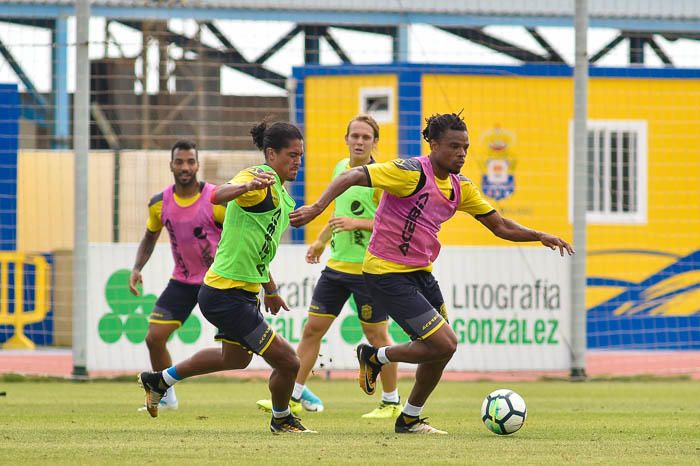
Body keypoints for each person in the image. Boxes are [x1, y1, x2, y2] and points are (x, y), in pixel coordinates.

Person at [290, 112, 574, 434]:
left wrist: (539, 235)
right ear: (434, 144)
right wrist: (317, 207)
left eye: (465, 147)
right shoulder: (409, 172)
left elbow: (501, 225)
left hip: (421, 274)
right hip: (385, 272)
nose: (462, 154)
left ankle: (409, 417)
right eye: (454, 146)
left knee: (439, 352)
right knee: (445, 343)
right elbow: (352, 176)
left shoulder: (460, 187)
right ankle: (375, 356)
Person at [138, 120, 316, 434]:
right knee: (289, 362)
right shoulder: (256, 179)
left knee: (234, 359)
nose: (297, 161)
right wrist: (245, 187)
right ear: (271, 154)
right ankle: (282, 419)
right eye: (291, 154)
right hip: (225, 294)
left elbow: (257, 250)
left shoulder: (282, 196)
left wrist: (270, 289)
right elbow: (218, 195)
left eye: (300, 155)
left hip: (241, 292)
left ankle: (159, 380)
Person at [256, 115, 402, 419]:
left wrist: (355, 223)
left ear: (376, 142)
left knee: (376, 336)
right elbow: (337, 211)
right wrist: (322, 240)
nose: (360, 142)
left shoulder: (380, 177)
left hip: (369, 270)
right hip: (336, 270)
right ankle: (293, 397)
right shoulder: (340, 168)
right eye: (355, 136)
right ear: (347, 139)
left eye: (366, 137)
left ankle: (391, 401)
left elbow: (391, 224)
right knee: (312, 330)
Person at [129, 140, 225, 412]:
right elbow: (150, 237)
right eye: (180, 162)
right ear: (171, 165)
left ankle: (294, 384)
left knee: (244, 347)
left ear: (198, 164)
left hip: (217, 282)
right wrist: (137, 268)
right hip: (182, 281)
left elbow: (235, 235)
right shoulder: (159, 203)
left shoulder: (215, 199)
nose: (185, 167)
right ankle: (166, 395)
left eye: (190, 161)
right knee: (153, 338)